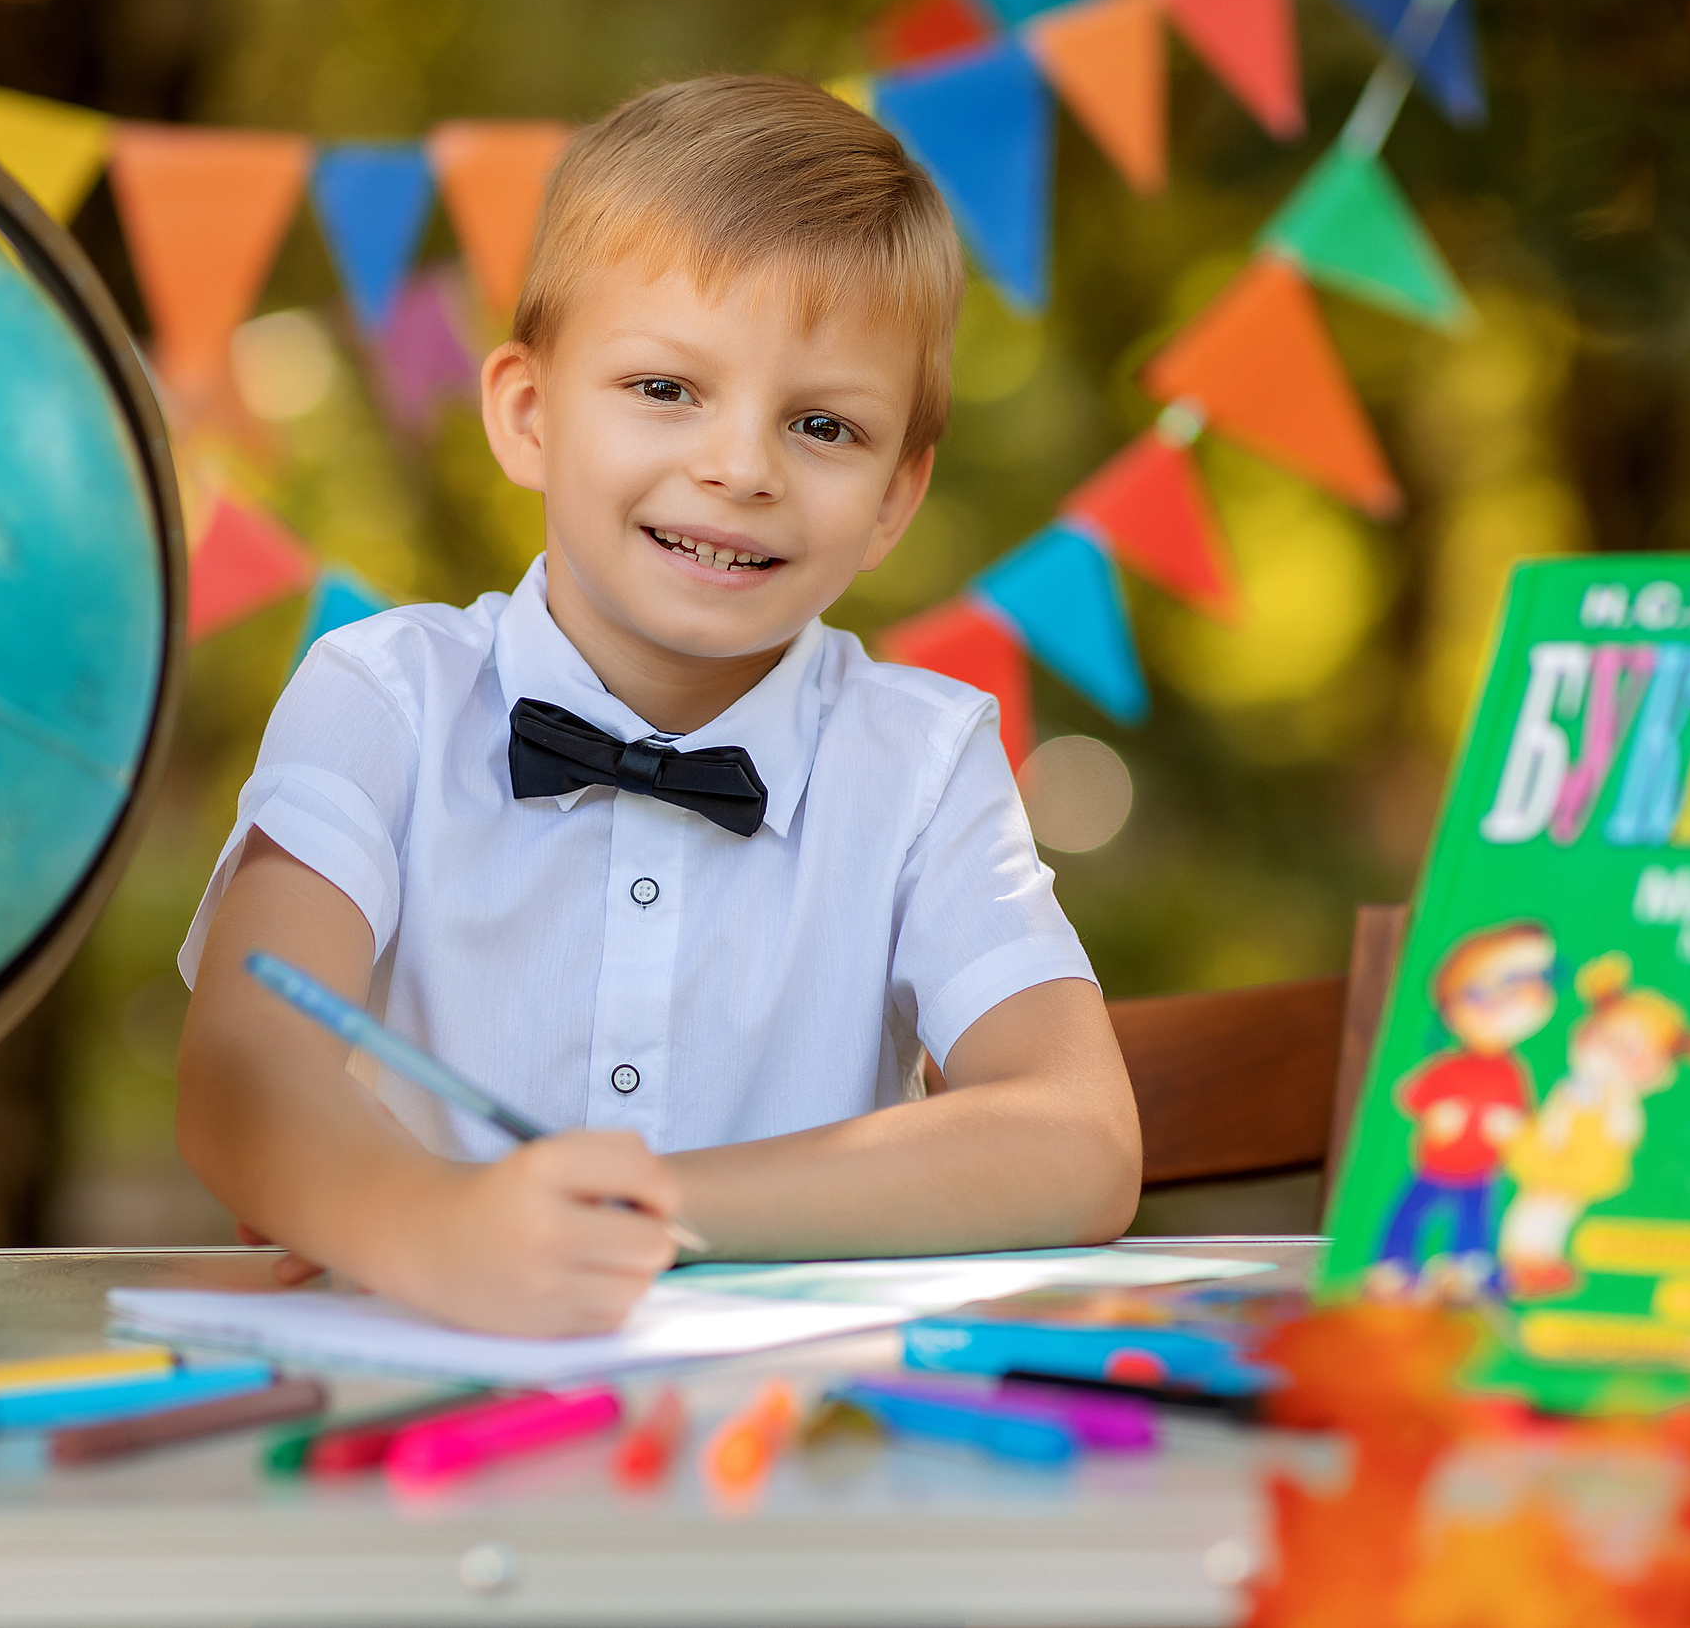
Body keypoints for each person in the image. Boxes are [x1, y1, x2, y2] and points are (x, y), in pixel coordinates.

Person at [173, 75, 1139, 1337]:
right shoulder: (383, 696)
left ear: (894, 502)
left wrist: (644, 1209)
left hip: (787, 1420)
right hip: (419, 1395)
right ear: (528, 415)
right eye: (666, 390)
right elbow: (242, 1068)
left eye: (821, 424)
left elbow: (1078, 1139)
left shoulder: (921, 760)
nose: (739, 468)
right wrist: (426, 1225)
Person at [1498, 953, 1690, 1298]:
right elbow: (1557, 1117)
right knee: (1537, 1203)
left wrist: (1616, 1123)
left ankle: (1543, 1260)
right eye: (1609, 1040)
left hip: (1589, 1160)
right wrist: (1550, 1138)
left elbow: (1626, 1129)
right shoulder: (1575, 1087)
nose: (1615, 1054)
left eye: (1635, 1051)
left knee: (1561, 1210)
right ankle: (1518, 1260)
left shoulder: (1620, 1098)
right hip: (1558, 1154)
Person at [1370, 920, 1551, 1297]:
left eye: (1530, 983)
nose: (1515, 1000)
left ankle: (1467, 1266)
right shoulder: (1449, 1064)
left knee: (1475, 1218)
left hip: (1481, 1166)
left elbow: (1523, 1114)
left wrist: (1512, 1125)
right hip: (1437, 1162)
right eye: (1489, 991)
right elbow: (1411, 1092)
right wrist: (1436, 1110)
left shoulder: (1510, 1069)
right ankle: (1395, 1263)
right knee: (1412, 1211)